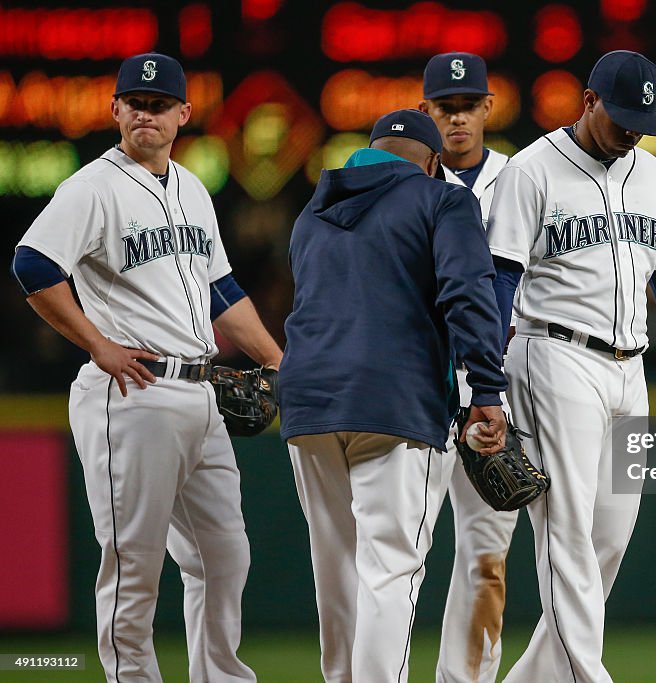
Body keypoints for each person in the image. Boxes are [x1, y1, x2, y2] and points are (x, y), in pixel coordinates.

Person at [11, 52, 283, 682]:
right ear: (115, 110)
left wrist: (277, 360)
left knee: (224, 556)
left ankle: (219, 675)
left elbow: (222, 292)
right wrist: (97, 345)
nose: (146, 114)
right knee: (133, 562)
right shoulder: (90, 187)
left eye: (159, 105)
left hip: (202, 391)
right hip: (132, 391)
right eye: (135, 102)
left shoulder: (190, 187)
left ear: (183, 114)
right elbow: (33, 265)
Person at [486, 50, 656, 682]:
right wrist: (488, 379)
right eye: (621, 116)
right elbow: (501, 280)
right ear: (588, 101)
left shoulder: (651, 176)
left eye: (642, 118)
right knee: (570, 531)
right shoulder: (532, 171)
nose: (632, 130)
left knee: (608, 537)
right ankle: (590, 676)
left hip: (629, 369)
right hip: (553, 354)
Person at [278, 108, 509, 683]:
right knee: (391, 569)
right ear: (432, 163)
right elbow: (467, 293)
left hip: (308, 401)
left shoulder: (315, 207)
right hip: (395, 400)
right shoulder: (443, 201)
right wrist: (486, 386)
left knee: (335, 568)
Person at [418, 51, 517, 683]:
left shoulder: (521, 176)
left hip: (499, 385)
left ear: (488, 107)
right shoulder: (408, 182)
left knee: (487, 554)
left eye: (466, 106)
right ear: (426, 111)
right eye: (444, 108)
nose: (457, 118)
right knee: (403, 549)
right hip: (424, 380)